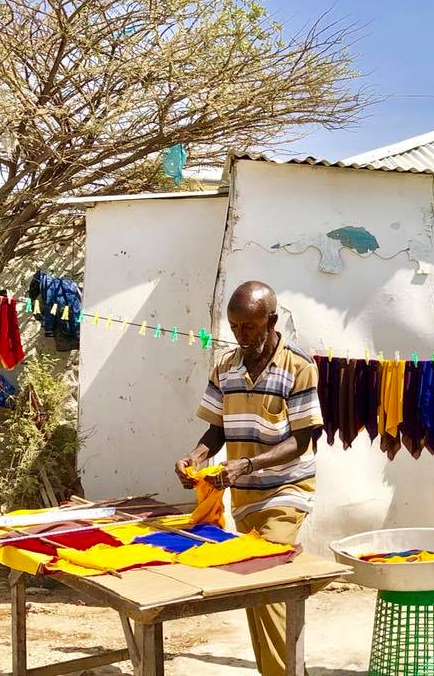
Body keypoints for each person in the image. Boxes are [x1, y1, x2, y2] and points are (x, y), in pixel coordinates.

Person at [174, 280, 323, 676]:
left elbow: (302, 440)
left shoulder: (300, 367)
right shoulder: (226, 367)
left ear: (271, 321)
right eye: (235, 327)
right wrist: (196, 456)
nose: (241, 336)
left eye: (250, 328)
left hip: (286, 492)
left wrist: (250, 466)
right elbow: (216, 430)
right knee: (254, 590)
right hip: (242, 496)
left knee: (266, 582)